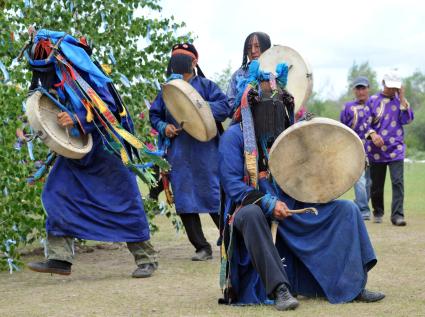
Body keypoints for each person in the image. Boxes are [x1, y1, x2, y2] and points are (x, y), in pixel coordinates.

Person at [218, 32, 384, 311]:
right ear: (251, 105)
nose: (274, 106)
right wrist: (269, 203)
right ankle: (279, 289)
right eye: (268, 101)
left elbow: (311, 168)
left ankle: (353, 286)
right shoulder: (234, 138)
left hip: (294, 206)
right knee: (249, 215)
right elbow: (233, 186)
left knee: (347, 210)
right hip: (254, 211)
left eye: (278, 100)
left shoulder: (286, 132)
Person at [25, 29, 158, 278]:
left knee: (123, 202)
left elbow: (109, 109)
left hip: (108, 149)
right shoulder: (54, 80)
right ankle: (59, 258)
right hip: (78, 150)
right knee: (56, 191)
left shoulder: (89, 78)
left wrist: (76, 118)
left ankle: (146, 258)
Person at [149, 43, 232, 261]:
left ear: (194, 62)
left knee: (214, 197)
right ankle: (202, 247)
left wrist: (199, 106)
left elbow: (225, 108)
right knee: (185, 201)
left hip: (207, 152)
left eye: (183, 58)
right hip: (179, 152)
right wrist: (163, 127)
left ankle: (231, 243)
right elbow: (155, 115)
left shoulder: (206, 86)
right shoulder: (167, 89)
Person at [366, 71, 414, 226]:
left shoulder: (401, 102)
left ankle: (397, 215)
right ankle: (378, 211)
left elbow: (408, 119)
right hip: (376, 152)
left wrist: (401, 98)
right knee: (377, 185)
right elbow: (364, 124)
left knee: (398, 182)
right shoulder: (372, 101)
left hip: (396, 150)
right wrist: (373, 134)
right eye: (390, 86)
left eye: (396, 87)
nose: (392, 90)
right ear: (383, 83)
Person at [340, 76, 372, 220]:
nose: (361, 91)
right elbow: (342, 129)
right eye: (358, 88)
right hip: (355, 149)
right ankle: (364, 210)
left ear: (368, 89)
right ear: (354, 90)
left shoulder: (374, 106)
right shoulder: (348, 108)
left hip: (374, 151)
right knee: (360, 181)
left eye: (363, 88)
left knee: (370, 182)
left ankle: (361, 203)